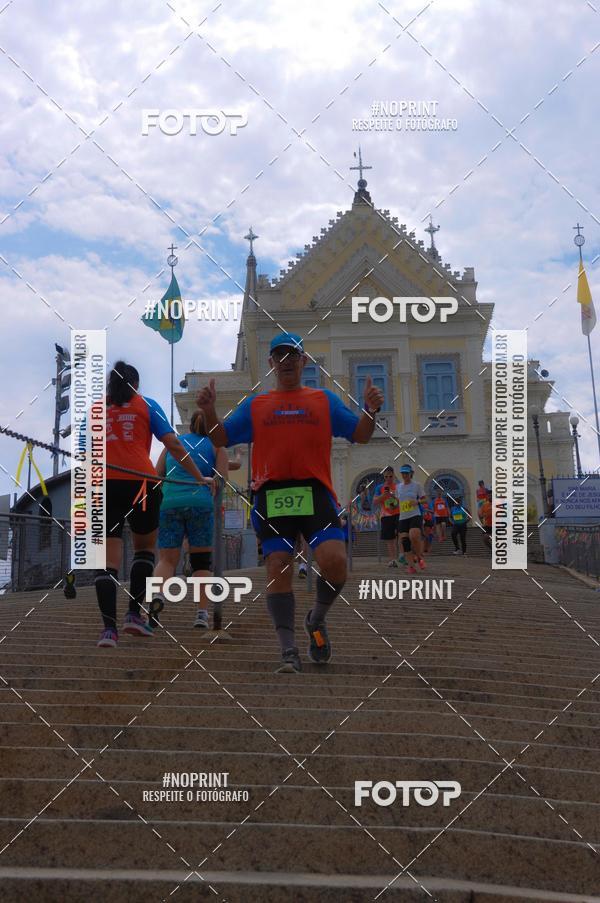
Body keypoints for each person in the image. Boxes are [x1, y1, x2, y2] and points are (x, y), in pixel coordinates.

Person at [195, 332, 384, 673]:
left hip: (315, 492)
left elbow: (360, 434)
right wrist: (209, 411)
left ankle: (316, 619)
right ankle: (288, 650)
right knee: (277, 564)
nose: (285, 362)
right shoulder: (257, 405)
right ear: (271, 363)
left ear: (303, 361)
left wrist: (371, 410)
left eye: (292, 356)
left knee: (335, 561)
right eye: (279, 357)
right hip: (272, 493)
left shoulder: (323, 400)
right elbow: (220, 437)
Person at [95, 362, 211, 648]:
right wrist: (198, 478)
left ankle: (109, 631)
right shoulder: (146, 405)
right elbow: (173, 445)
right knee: (144, 550)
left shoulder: (96, 409)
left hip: (103, 484)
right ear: (135, 384)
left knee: (108, 562)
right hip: (140, 484)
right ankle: (133, 615)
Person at [149, 410, 222, 629]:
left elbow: (157, 473)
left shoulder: (174, 443)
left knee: (166, 559)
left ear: (189, 425)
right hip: (201, 504)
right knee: (201, 563)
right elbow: (222, 479)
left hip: (170, 502)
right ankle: (201, 614)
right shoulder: (216, 446)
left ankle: (158, 596)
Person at [396, 464, 427, 573]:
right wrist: (393, 504)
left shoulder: (417, 485)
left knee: (414, 535)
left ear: (411, 474)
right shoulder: (398, 487)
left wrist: (417, 501)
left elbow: (425, 499)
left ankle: (419, 557)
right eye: (403, 473)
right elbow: (397, 501)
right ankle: (411, 566)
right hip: (403, 517)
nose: (404, 475)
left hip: (414, 514)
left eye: (406, 473)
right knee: (405, 541)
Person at [373, 467, 401, 567]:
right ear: (383, 477)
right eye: (386, 476)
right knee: (390, 538)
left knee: (401, 535)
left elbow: (402, 500)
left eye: (390, 476)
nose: (388, 478)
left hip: (399, 513)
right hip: (386, 515)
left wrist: (393, 496)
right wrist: (384, 495)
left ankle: (402, 556)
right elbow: (375, 501)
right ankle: (393, 559)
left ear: (393, 475)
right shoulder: (379, 487)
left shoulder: (398, 486)